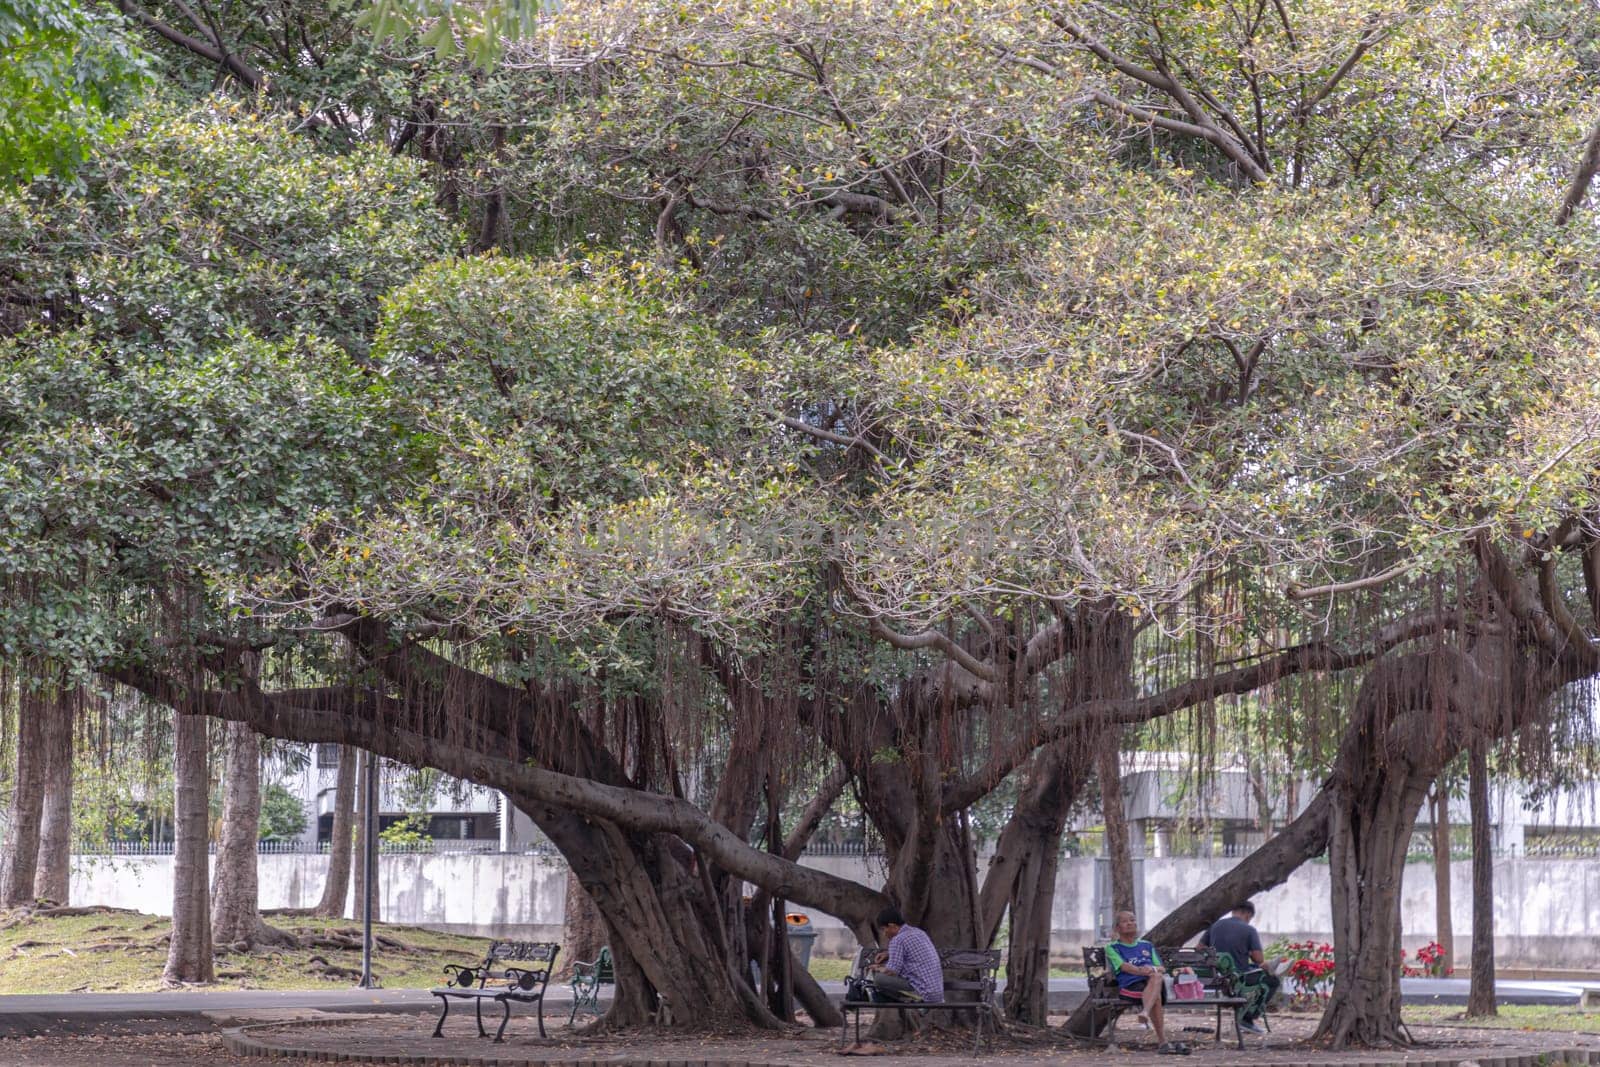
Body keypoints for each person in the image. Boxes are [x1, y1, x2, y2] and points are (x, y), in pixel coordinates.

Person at [1106, 909, 1189, 1055]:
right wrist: (1141, 970)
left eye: (1132, 920)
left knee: (1156, 977)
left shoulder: (1147, 945)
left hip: (1151, 982)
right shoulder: (1112, 947)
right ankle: (1162, 1041)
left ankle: (1145, 1012)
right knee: (1155, 992)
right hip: (1131, 986)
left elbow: (1161, 968)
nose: (1130, 923)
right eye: (1125, 921)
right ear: (1117, 928)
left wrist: (1151, 969)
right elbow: (1123, 966)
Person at [1199, 900, 1279, 1032]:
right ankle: (1246, 1019)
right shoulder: (1249, 930)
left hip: (1215, 978)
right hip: (1238, 978)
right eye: (1250, 918)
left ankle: (1245, 1018)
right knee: (1272, 980)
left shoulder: (1215, 926)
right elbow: (1259, 959)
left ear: (1233, 911)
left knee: (1253, 970)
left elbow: (1199, 949)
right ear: (1247, 914)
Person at [867, 906, 944, 1004]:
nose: (884, 933)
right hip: (937, 993)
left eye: (883, 929)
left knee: (878, 979)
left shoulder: (898, 940)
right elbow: (912, 952)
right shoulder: (918, 932)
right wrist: (888, 954)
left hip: (925, 993)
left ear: (892, 926)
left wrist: (877, 968)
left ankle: (914, 999)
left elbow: (892, 971)